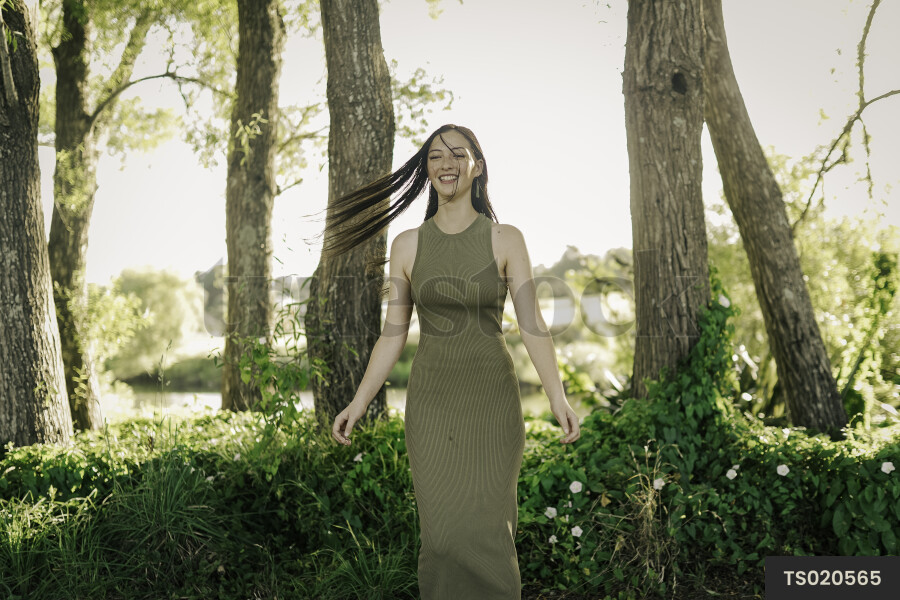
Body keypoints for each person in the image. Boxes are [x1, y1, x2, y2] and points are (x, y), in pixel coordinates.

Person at [326, 124, 581, 600]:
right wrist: (357, 403)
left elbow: (533, 326)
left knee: (487, 534)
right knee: (442, 539)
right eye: (435, 157)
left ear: (476, 168)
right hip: (432, 405)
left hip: (492, 403)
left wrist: (557, 397)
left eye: (457, 155)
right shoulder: (406, 245)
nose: (446, 163)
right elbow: (391, 337)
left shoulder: (506, 239)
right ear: (427, 171)